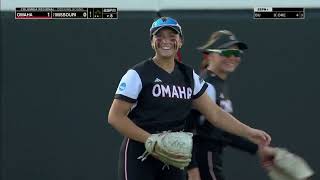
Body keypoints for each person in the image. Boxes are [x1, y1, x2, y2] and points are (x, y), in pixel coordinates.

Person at [108, 17, 271, 180]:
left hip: (173, 156)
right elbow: (115, 117)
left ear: (180, 41)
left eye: (172, 36)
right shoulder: (137, 74)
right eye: (160, 36)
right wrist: (152, 140)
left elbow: (215, 114)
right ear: (152, 41)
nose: (166, 41)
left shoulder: (188, 75)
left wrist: (249, 132)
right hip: (139, 155)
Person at [185, 30, 276, 180]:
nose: (233, 57)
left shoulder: (218, 84)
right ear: (209, 55)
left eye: (237, 53)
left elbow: (223, 132)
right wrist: (192, 168)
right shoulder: (206, 85)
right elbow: (186, 128)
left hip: (211, 158)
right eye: (227, 52)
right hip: (202, 159)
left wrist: (257, 148)